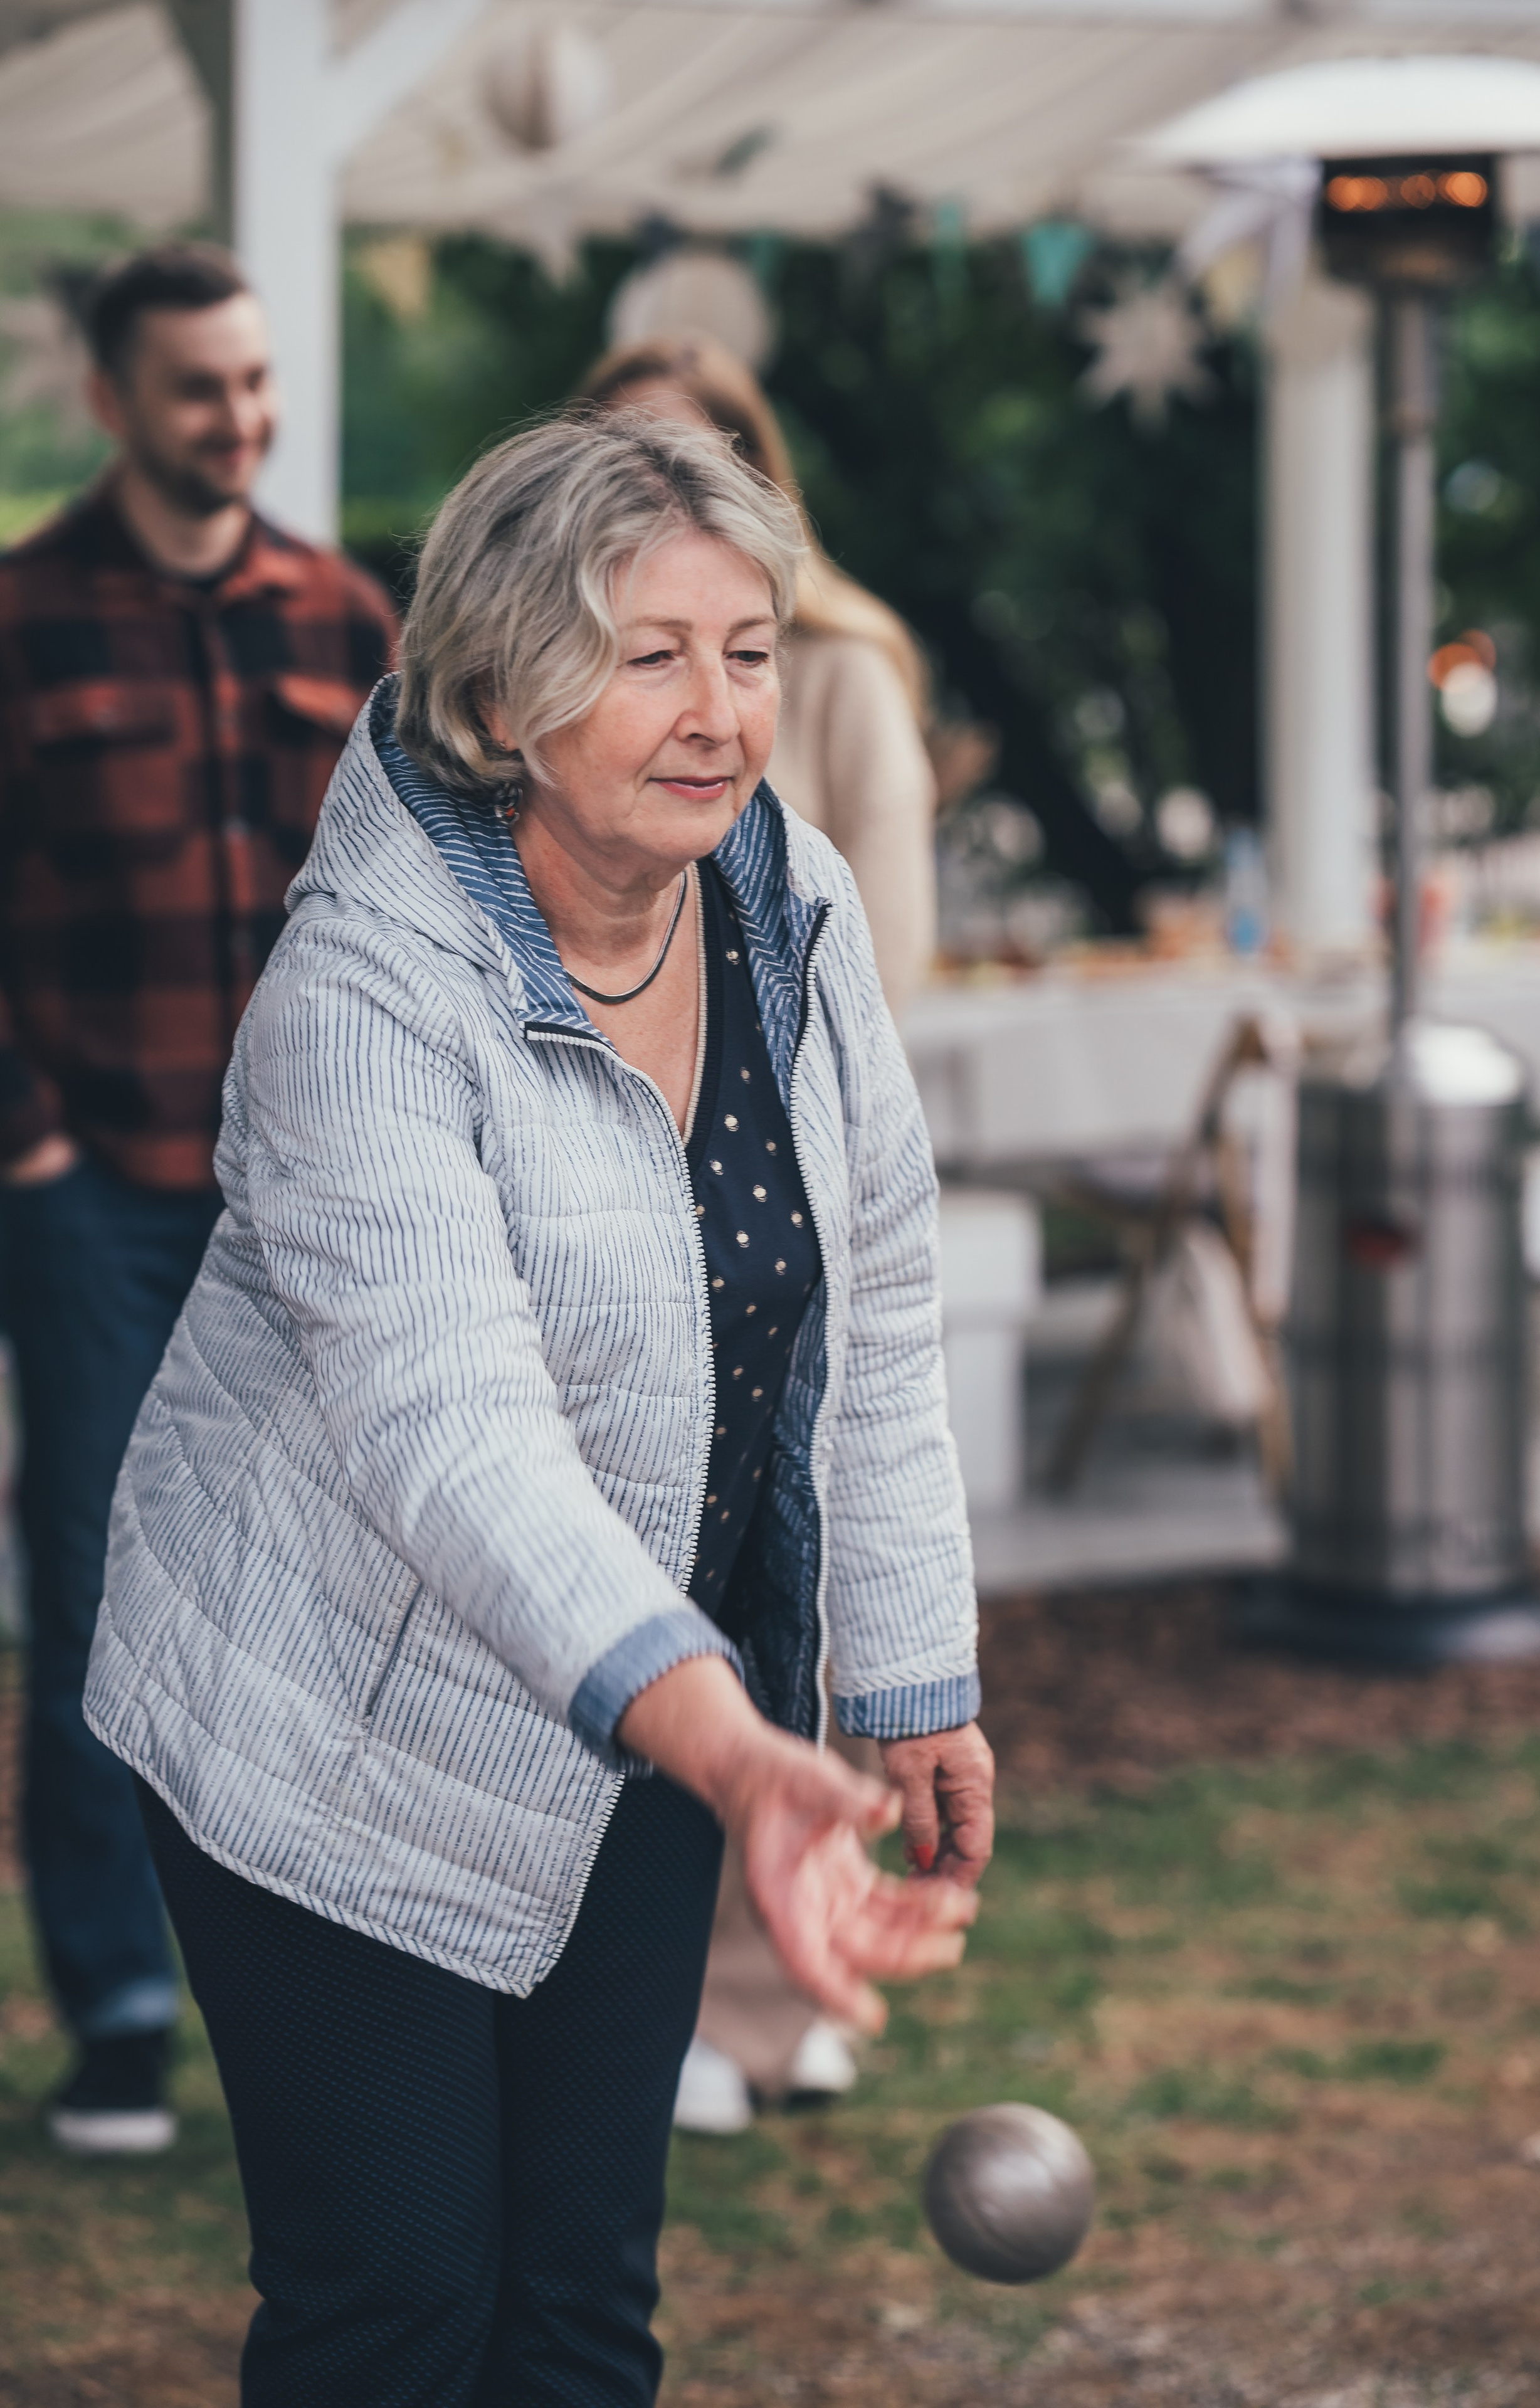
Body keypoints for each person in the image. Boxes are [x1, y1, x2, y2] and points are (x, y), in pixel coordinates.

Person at [83, 409, 993, 2405]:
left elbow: (882, 1294)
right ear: (499, 687)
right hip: (331, 1724)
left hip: (648, 1724)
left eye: (744, 649)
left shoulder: (795, 906)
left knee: (581, 2311)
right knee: (398, 2302)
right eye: (644, 652)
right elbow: (453, 1432)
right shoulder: (361, 995)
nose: (717, 711)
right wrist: (745, 1756)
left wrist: (908, 1669)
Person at [0, 244, 397, 2157]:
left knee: (326, 1597)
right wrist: (29, 1146)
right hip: (98, 1194)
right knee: (98, 1596)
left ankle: (310, 1991)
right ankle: (122, 2008)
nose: (236, 419)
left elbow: (410, 900)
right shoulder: (20, 619)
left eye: (253, 383)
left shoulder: (346, 616)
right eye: (194, 390)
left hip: (310, 1206)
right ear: (110, 401)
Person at [583, 333, 944, 2129]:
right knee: (654, 1616)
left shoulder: (848, 671)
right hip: (613, 1207)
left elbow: (883, 959)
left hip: (785, 1191)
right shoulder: (534, 694)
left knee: (795, 1605)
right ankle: (701, 2005)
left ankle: (764, 1990)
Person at [581, 334, 937, 1018]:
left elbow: (885, 948)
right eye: (618, 463)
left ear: (753, 476)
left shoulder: (844, 668)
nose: (658, 489)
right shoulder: (553, 672)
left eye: (748, 659)